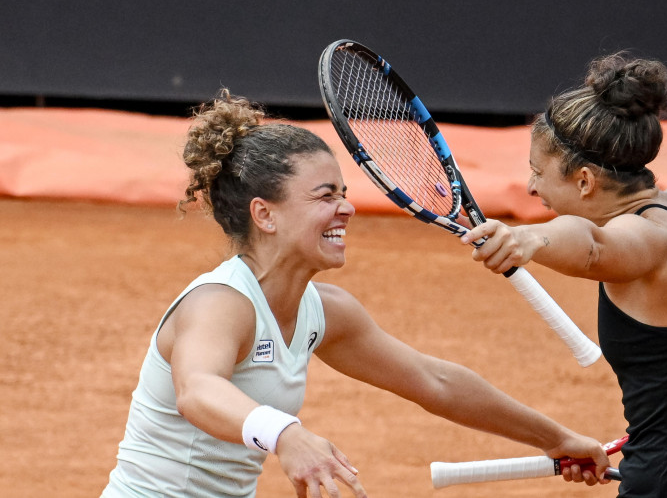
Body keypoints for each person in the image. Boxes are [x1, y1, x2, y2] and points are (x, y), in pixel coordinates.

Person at [99, 90, 611, 498]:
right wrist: (286, 434)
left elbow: (435, 382)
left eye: (343, 194)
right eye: (326, 196)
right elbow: (197, 391)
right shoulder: (219, 303)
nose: (346, 209)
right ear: (265, 214)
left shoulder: (325, 312)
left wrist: (558, 439)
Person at [461, 5, 667, 497]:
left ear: (585, 181)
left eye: (538, 173)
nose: (529, 186)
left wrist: (529, 239)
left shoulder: (648, 242)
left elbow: (591, 247)